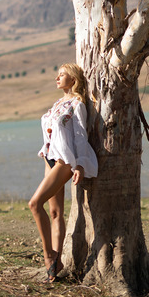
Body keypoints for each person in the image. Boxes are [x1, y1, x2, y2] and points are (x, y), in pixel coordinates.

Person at [28, 63, 98, 282]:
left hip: (64, 161)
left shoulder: (78, 104)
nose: (57, 78)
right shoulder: (58, 103)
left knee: (34, 204)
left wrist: (80, 165)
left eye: (62, 75)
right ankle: (56, 265)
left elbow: (80, 136)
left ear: (73, 80)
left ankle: (48, 254)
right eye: (57, 75)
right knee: (55, 212)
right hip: (49, 158)